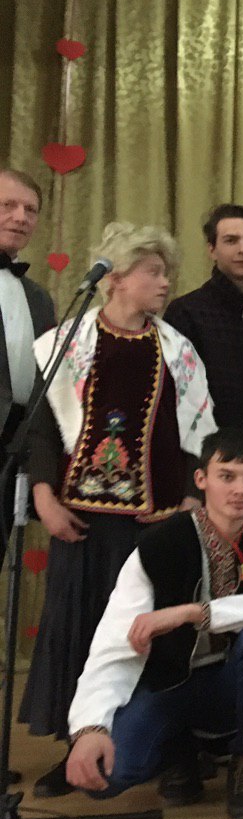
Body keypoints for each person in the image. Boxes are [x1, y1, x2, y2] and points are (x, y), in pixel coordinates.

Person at [21, 221, 215, 797]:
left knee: (157, 636)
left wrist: (192, 496)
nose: (165, 282)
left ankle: (173, 754)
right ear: (117, 278)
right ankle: (78, 748)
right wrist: (43, 496)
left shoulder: (177, 350)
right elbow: (42, 430)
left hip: (157, 522)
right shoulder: (68, 343)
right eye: (153, 272)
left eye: (167, 272)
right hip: (84, 521)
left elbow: (198, 429)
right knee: (81, 631)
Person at [63, 428, 243, 819]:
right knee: (105, 776)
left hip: (234, 684)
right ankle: (178, 752)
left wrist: (194, 613)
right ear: (201, 479)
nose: (240, 489)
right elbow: (115, 640)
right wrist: (90, 726)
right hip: (171, 686)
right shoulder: (159, 544)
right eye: (226, 476)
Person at [163, 203, 243, 444]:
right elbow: (177, 393)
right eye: (231, 241)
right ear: (212, 250)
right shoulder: (185, 311)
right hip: (206, 448)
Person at [0, 167, 57, 547]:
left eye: (30, 210)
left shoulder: (39, 297)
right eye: (8, 205)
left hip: (13, 450)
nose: (21, 217)